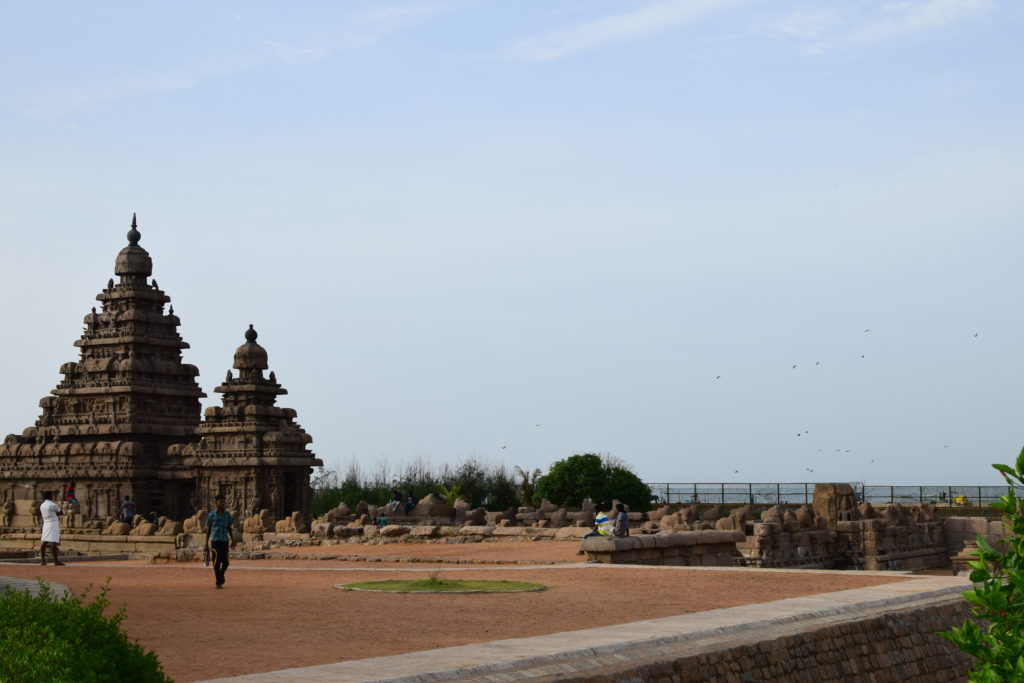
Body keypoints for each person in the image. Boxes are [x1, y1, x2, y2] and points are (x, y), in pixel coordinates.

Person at [205, 494, 236, 589]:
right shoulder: (211, 515)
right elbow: (208, 529)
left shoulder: (227, 515)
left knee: (226, 562)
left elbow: (229, 528)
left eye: (224, 502)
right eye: (221, 502)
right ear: (216, 503)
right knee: (216, 562)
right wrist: (206, 543)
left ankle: (221, 575)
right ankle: (219, 582)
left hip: (224, 541)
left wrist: (233, 540)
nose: (223, 504)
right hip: (215, 541)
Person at [39, 491, 65, 566]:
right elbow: (61, 513)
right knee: (54, 542)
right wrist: (56, 513)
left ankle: (43, 560)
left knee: (45, 541)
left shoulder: (42, 505)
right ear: (50, 496)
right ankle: (56, 561)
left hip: (46, 523)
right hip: (53, 523)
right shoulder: (53, 505)